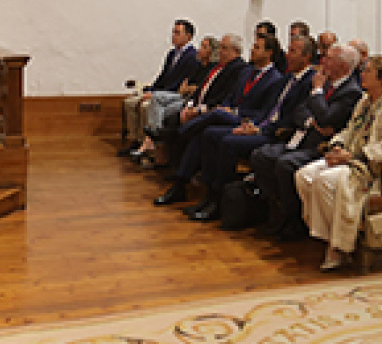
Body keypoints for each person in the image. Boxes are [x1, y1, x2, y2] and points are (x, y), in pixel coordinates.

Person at [295, 55, 382, 271]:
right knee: (304, 175)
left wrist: (352, 156)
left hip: (377, 170)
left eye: (368, 71)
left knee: (324, 181)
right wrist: (337, 146)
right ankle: (333, 237)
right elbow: (350, 130)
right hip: (353, 160)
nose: (362, 74)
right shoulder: (364, 102)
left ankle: (338, 246)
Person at [187, 35, 319, 222]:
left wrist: (259, 130)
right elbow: (267, 110)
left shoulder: (309, 82)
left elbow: (290, 119)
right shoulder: (287, 79)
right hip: (261, 125)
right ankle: (209, 195)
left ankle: (220, 201)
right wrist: (252, 125)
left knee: (228, 142)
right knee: (210, 134)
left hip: (277, 135)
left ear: (306, 57)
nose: (287, 55)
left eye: (293, 51)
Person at [252, 43, 363, 239]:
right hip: (301, 138)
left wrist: (317, 92)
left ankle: (294, 220)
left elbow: (327, 118)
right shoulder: (324, 83)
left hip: (321, 147)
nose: (323, 62)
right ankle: (277, 208)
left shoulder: (351, 91)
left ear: (343, 66)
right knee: (260, 155)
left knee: (286, 164)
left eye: (329, 59)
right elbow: (299, 111)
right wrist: (312, 121)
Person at [153, 34, 264, 205]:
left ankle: (177, 134)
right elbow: (228, 96)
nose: (220, 51)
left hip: (244, 119)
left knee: (212, 120)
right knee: (202, 133)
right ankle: (183, 185)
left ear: (235, 51)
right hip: (226, 112)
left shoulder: (245, 70)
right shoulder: (242, 72)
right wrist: (205, 106)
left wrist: (229, 110)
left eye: (224, 48)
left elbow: (263, 109)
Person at [122, 19, 200, 155]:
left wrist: (154, 94)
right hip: (162, 92)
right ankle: (136, 140)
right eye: (173, 32)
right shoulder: (172, 54)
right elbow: (162, 76)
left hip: (173, 95)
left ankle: (150, 144)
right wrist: (151, 90)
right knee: (130, 103)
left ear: (188, 36)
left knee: (146, 106)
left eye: (177, 33)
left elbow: (180, 84)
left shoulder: (192, 57)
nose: (173, 35)